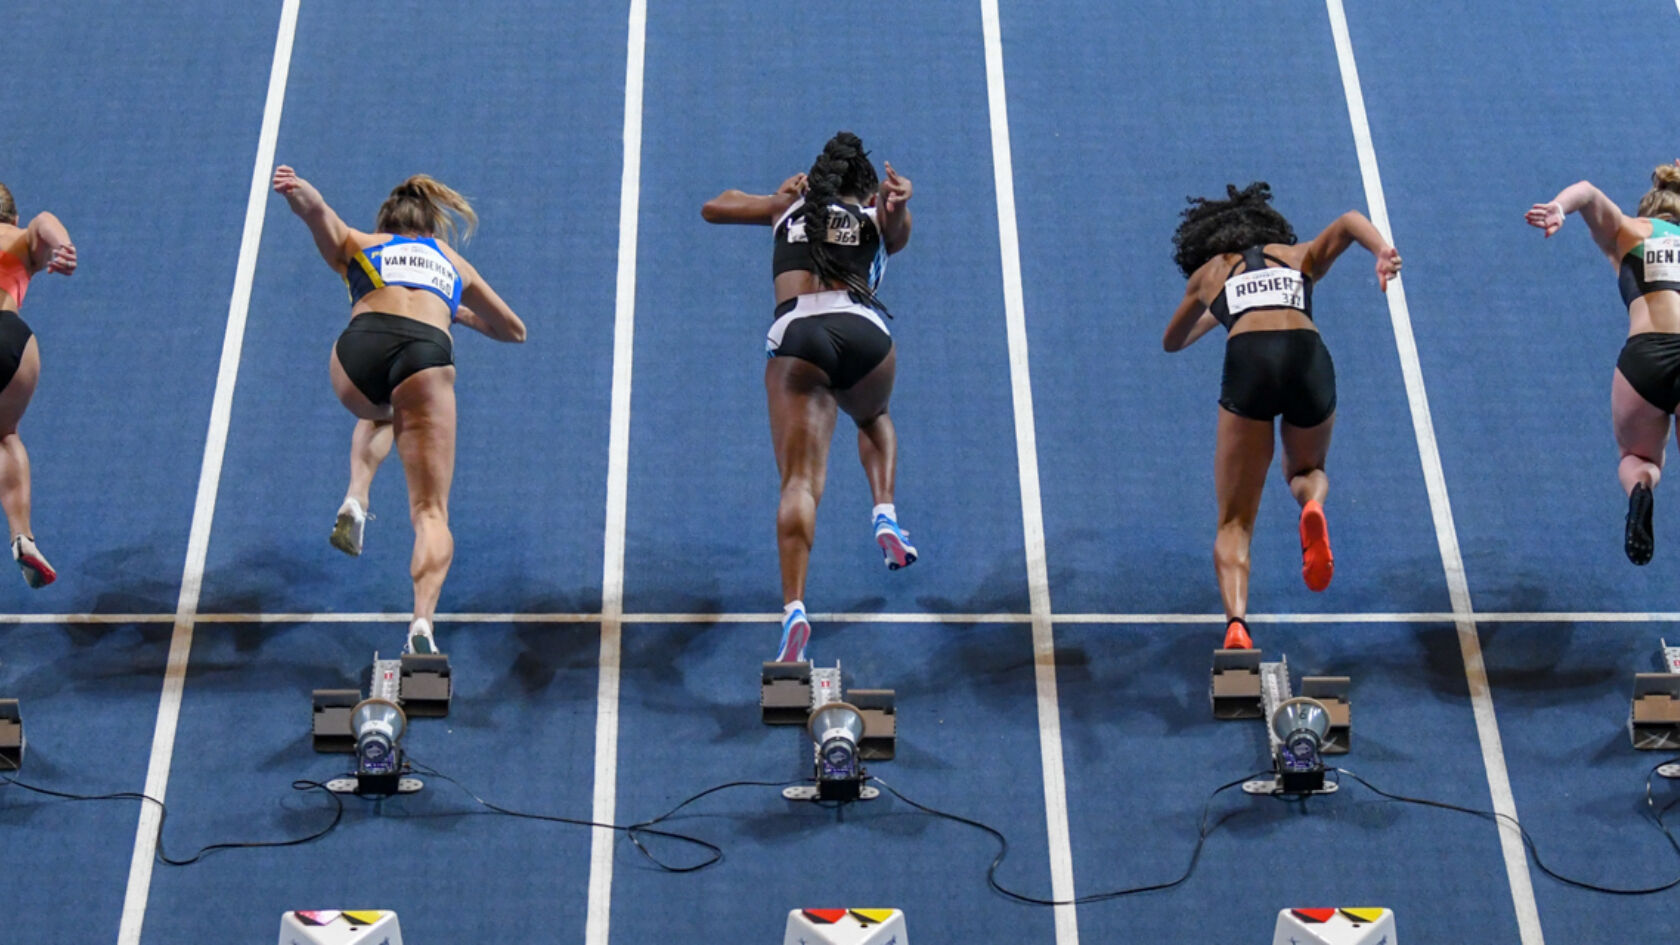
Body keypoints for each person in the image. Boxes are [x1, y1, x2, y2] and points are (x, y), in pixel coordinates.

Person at [272, 166, 525, 654]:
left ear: (386, 225)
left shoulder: (364, 245)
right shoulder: (452, 264)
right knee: (431, 512)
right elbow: (514, 330)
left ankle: (356, 497)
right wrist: (457, 311)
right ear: (430, 232)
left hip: (357, 358)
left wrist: (299, 191)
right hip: (426, 359)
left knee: (380, 409)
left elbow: (316, 212)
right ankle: (421, 628)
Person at [702, 131, 915, 663]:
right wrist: (897, 205)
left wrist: (778, 196)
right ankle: (884, 512)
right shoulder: (873, 219)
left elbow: (714, 206)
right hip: (865, 332)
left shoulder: (789, 209)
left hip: (800, 337)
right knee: (873, 417)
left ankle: (795, 608)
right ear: (867, 194)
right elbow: (900, 235)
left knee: (799, 482)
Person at [1164, 182, 1401, 651]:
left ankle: (1237, 625)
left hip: (1250, 359)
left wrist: (1223, 310)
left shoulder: (1210, 274)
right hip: (1307, 356)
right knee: (1307, 470)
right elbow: (1352, 219)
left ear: (1211, 239)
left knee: (1234, 520)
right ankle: (1311, 505)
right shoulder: (1299, 256)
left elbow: (1173, 340)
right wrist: (1382, 251)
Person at [1527, 162, 1680, 565]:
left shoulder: (1629, 232)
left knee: (1639, 459)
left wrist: (1560, 207)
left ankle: (1640, 492)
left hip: (1643, 358)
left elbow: (1588, 191)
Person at [0, 182, 76, 588]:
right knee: (5, 434)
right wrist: (63, 247)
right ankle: (21, 536)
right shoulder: (19, 238)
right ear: (12, 218)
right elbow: (45, 221)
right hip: (15, 341)